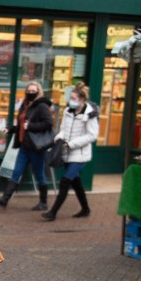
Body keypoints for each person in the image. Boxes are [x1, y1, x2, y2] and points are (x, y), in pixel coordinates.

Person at [0, 81, 54, 211]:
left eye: (33, 91)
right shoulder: (25, 105)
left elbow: (48, 123)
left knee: (39, 174)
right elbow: (21, 125)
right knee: (16, 172)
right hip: (25, 146)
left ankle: (43, 202)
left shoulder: (41, 106)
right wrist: (11, 129)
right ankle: (4, 199)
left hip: (36, 147)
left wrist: (31, 126)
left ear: (38, 91)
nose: (30, 93)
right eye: (28, 91)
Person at [42, 84, 98, 221]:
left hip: (80, 154)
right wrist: (59, 137)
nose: (71, 101)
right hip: (66, 152)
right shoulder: (68, 111)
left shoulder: (89, 115)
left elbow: (92, 135)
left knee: (65, 181)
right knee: (75, 182)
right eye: (70, 98)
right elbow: (63, 129)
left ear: (82, 99)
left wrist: (71, 144)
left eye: (73, 98)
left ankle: (53, 212)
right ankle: (85, 209)